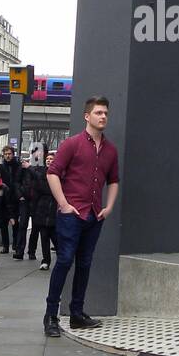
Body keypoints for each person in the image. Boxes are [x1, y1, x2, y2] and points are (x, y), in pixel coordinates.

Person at [43, 96, 119, 337]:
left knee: (85, 264)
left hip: (95, 216)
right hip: (72, 214)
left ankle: (77, 314)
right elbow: (52, 173)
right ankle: (51, 315)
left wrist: (109, 207)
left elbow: (114, 180)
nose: (103, 116)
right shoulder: (72, 144)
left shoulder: (110, 150)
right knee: (65, 261)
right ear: (87, 116)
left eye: (105, 113)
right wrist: (63, 204)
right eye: (98, 113)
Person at [21, 144, 57, 269]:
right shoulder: (41, 171)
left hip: (53, 208)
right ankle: (45, 260)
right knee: (44, 235)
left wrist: (30, 168)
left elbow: (46, 186)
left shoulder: (57, 175)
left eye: (51, 160)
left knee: (54, 235)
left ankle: (62, 253)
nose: (48, 161)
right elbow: (36, 186)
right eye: (48, 159)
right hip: (41, 208)